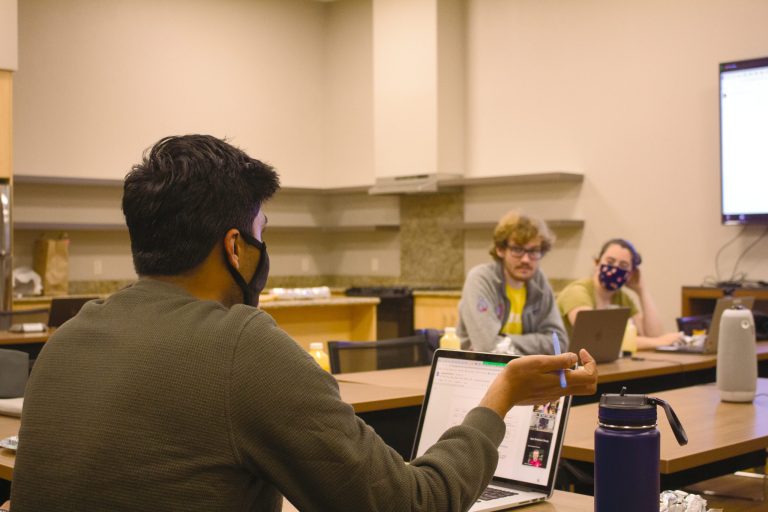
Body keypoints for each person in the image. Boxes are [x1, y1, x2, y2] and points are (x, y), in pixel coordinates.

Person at [10, 135, 598, 512]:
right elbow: (410, 505)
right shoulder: (242, 345)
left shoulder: (68, 341)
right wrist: (499, 399)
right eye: (264, 234)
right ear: (235, 248)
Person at [457, 211, 568, 355]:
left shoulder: (539, 281)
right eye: (517, 250)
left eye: (533, 251)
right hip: (477, 371)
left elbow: (559, 342)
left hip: (525, 372)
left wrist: (508, 341)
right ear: (500, 250)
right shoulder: (480, 279)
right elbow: (487, 349)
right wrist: (534, 349)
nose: (526, 260)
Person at [557, 238, 683, 351]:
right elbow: (599, 338)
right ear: (597, 262)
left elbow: (653, 335)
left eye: (623, 266)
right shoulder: (577, 292)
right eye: (610, 262)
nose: (615, 268)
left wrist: (642, 291)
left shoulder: (621, 297)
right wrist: (659, 342)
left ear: (630, 274)